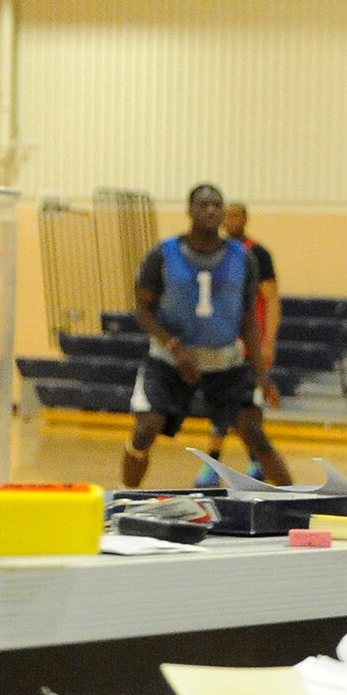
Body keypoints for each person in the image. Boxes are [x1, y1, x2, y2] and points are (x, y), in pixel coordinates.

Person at [123, 184, 292, 488]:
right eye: (203, 204)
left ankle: (297, 505)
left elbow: (249, 319)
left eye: (217, 205)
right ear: (189, 210)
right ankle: (123, 498)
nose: (211, 210)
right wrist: (175, 347)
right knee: (145, 431)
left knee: (254, 434)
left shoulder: (244, 258)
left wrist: (262, 374)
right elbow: (143, 309)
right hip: (170, 360)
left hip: (226, 361)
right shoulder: (163, 254)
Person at [193, 201, 283, 482]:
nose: (231, 220)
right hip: (221, 343)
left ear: (245, 219)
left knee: (246, 405)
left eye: (236, 215)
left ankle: (222, 462)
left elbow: (272, 300)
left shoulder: (257, 253)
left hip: (249, 343)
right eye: (227, 215)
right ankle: (247, 462)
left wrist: (269, 340)